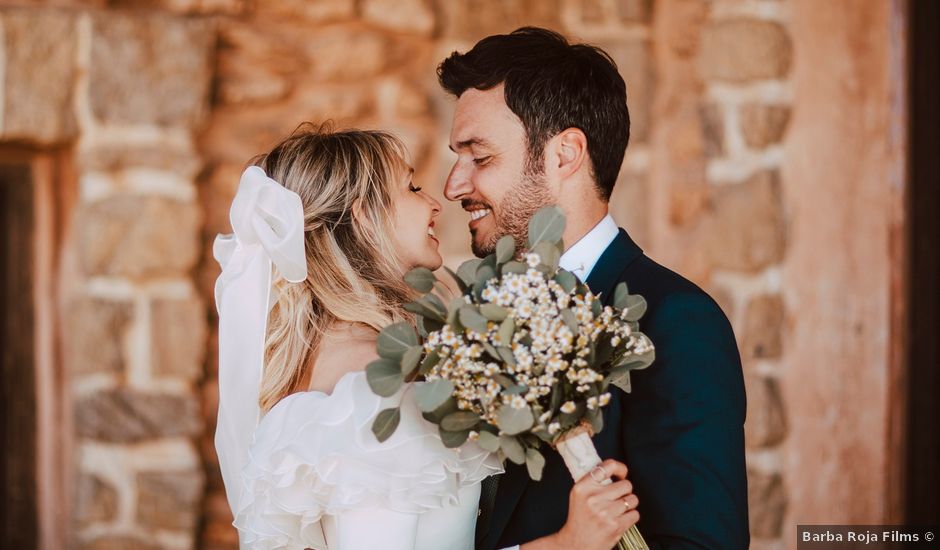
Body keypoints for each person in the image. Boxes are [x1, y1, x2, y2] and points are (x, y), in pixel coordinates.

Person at [213, 124, 641, 549]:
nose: (436, 203)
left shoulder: (326, 366)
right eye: (412, 188)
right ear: (365, 215)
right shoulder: (368, 387)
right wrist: (567, 544)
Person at [438, 27, 750, 550]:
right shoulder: (472, 322)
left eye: (480, 157)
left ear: (564, 155)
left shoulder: (674, 323)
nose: (454, 185)